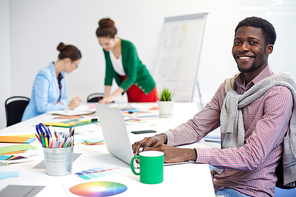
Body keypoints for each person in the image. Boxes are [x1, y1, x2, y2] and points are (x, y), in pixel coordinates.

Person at [132, 16, 296, 197]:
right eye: (238, 42)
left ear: (269, 49)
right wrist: (163, 137)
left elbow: (252, 157)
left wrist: (186, 154)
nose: (243, 48)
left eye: (252, 42)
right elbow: (196, 127)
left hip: (250, 191)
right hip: (218, 182)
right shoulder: (229, 88)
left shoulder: (278, 94)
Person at [95, 18, 158, 104]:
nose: (104, 47)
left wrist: (113, 96)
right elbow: (109, 74)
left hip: (144, 86)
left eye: (107, 43)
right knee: (133, 115)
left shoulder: (129, 47)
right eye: (100, 44)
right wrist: (105, 98)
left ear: (114, 37)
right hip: (129, 87)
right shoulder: (106, 50)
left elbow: (132, 76)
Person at [22, 42, 82, 121]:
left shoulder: (61, 75)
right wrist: (68, 106)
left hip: (49, 118)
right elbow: (42, 106)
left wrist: (60, 104)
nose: (75, 68)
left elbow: (64, 99)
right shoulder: (43, 75)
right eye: (76, 65)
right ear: (68, 61)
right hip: (34, 120)